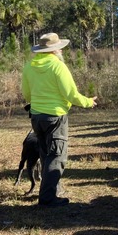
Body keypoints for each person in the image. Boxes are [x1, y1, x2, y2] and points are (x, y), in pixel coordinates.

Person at [21, 32, 97, 207]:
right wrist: (88, 102)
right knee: (57, 157)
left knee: (46, 154)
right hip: (55, 117)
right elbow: (70, 94)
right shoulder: (58, 66)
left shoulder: (29, 66)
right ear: (56, 50)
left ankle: (52, 191)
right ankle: (47, 199)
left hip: (37, 117)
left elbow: (26, 93)